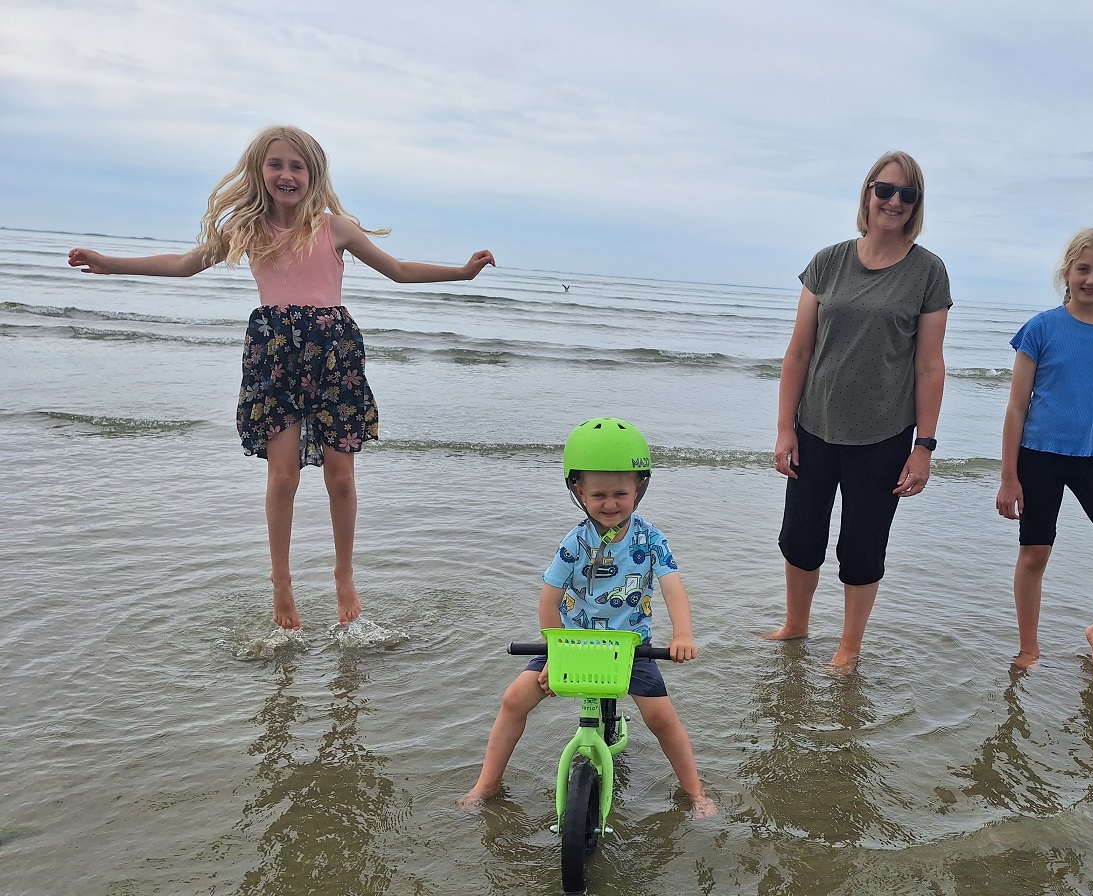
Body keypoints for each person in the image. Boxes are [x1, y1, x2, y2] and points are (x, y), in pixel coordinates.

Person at [68, 125, 495, 630]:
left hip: (333, 353)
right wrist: (111, 265)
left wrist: (462, 273)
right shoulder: (245, 228)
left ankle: (343, 576)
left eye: (297, 166)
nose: (287, 174)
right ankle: (282, 584)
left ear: (312, 174)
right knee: (284, 477)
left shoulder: (335, 228)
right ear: (260, 171)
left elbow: (398, 270)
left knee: (341, 478)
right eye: (276, 165)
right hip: (273, 354)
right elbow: (185, 264)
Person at [458, 418, 714, 816]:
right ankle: (486, 784)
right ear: (578, 491)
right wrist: (556, 652)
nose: (610, 503)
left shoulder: (651, 539)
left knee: (662, 719)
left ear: (639, 489)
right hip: (572, 645)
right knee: (513, 700)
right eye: (598, 494)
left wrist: (683, 634)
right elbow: (549, 600)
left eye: (620, 493)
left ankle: (695, 793)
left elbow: (672, 587)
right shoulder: (574, 542)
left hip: (629, 649)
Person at [769, 150, 951, 671]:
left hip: (885, 435)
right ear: (868, 193)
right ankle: (796, 626)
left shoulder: (928, 272)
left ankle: (849, 648)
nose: (893, 201)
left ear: (915, 204)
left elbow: (929, 367)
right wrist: (785, 428)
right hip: (815, 427)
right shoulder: (827, 261)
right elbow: (799, 351)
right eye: (884, 189)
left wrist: (924, 447)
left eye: (906, 194)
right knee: (800, 537)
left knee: (862, 546)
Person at [995, 227, 1093, 668]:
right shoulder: (1041, 328)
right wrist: (1009, 477)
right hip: (1039, 455)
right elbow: (1015, 407)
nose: (1091, 279)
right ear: (1067, 272)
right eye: (1083, 269)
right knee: (1035, 553)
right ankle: (1030, 648)